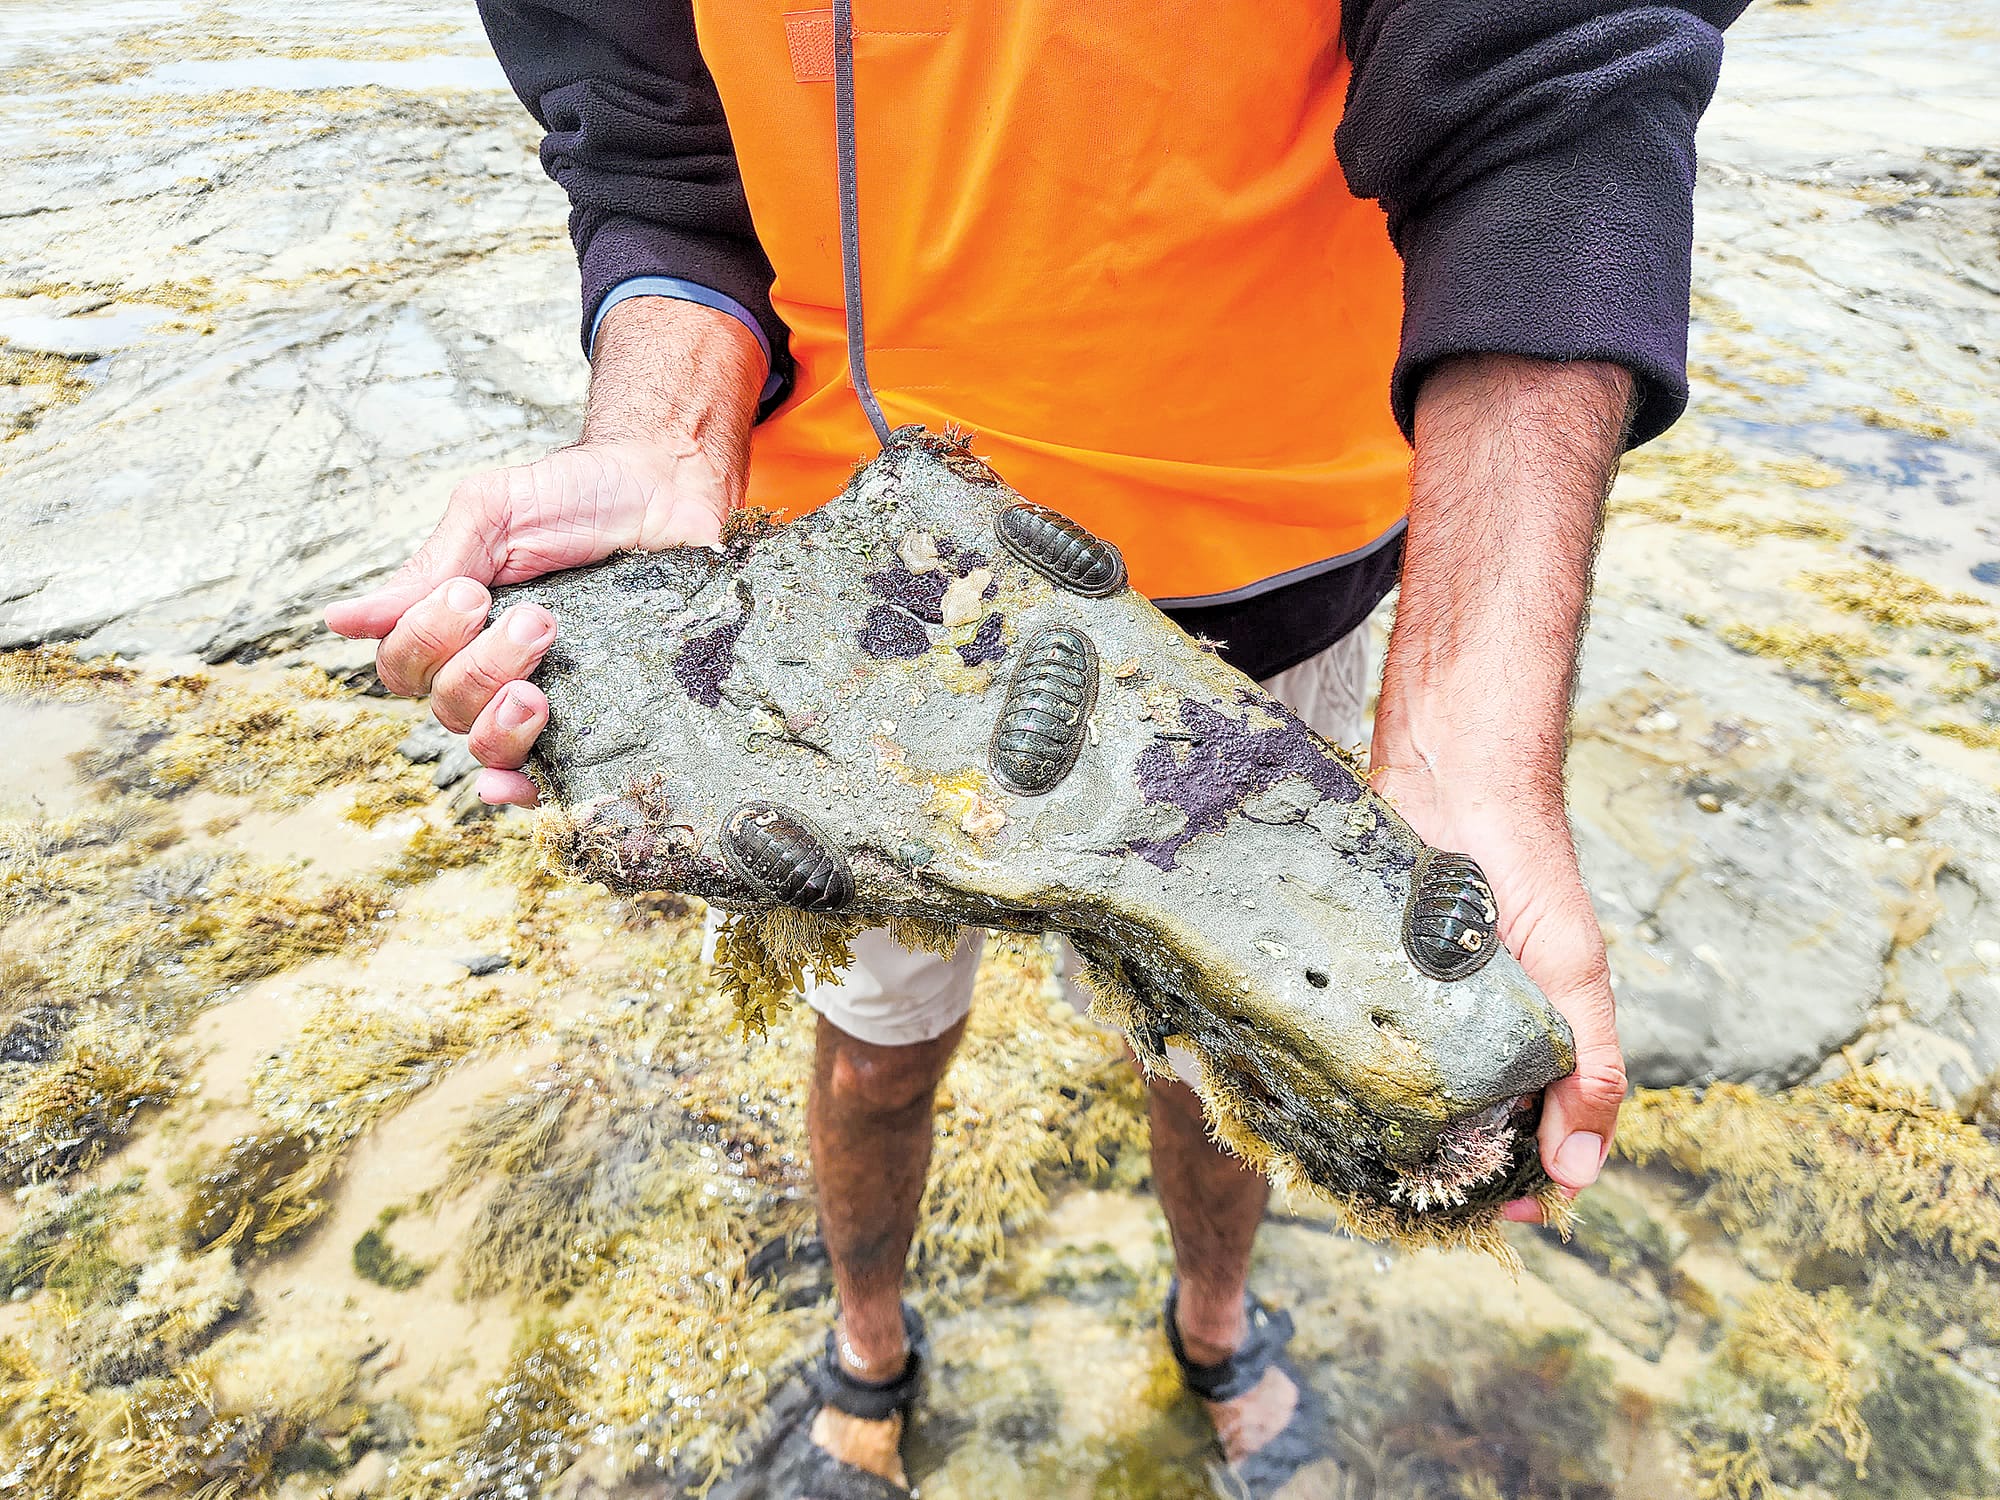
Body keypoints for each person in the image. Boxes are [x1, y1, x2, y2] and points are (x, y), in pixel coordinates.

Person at [327, 2, 1747, 1493]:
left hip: (1274, 563)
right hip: (872, 618)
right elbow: (655, 140)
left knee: (1226, 1056)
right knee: (876, 1054)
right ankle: (869, 1343)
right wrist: (668, 431)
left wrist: (1472, 725)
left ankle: (1213, 1322)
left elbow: (1549, 64)